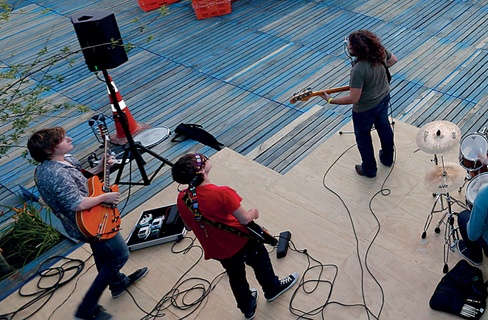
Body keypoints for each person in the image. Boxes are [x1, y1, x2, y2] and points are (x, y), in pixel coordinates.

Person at [28, 127, 149, 320]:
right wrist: (105, 197)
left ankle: (117, 283)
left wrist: (100, 168)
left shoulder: (63, 160)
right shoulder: (55, 174)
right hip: (88, 221)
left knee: (103, 254)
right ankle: (85, 309)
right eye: (63, 139)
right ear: (50, 150)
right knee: (119, 256)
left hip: (90, 215)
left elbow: (80, 182)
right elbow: (76, 203)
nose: (70, 138)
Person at [172, 153, 297, 319]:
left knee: (236, 276)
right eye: (203, 159)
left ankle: (247, 308)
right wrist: (254, 212)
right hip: (242, 242)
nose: (206, 158)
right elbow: (245, 219)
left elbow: (188, 226)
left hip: (218, 249)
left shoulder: (182, 198)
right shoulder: (222, 193)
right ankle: (272, 289)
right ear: (201, 171)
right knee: (261, 263)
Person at [324, 30, 398, 178]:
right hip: (384, 98)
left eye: (350, 45)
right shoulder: (380, 52)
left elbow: (354, 98)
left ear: (357, 49)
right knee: (384, 127)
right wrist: (377, 76)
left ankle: (369, 170)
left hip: (365, 110)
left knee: (363, 138)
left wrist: (331, 100)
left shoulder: (358, 70)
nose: (348, 47)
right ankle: (387, 159)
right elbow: (393, 60)